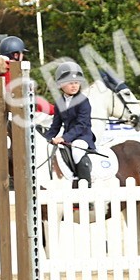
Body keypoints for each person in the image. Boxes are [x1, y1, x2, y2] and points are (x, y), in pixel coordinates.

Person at [0, 35, 54, 177]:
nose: (23, 56)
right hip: (12, 115)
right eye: (21, 53)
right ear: (15, 54)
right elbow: (28, 100)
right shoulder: (13, 72)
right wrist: (53, 109)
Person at [41, 61, 97, 189]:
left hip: (82, 137)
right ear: (61, 85)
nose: (74, 86)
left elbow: (81, 125)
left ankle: (86, 189)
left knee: (77, 151)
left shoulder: (83, 101)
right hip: (67, 138)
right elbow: (55, 126)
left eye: (76, 82)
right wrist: (46, 139)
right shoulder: (59, 102)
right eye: (71, 83)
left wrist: (64, 138)